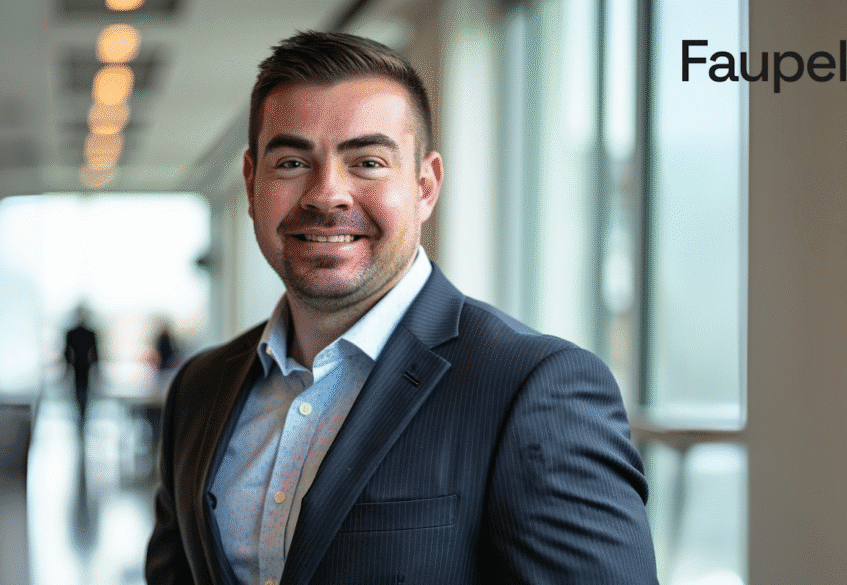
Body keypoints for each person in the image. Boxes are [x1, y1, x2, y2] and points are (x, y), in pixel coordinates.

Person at [146, 31, 658, 585]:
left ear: (425, 186)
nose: (326, 194)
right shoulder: (199, 389)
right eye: (292, 162)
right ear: (251, 183)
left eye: (366, 162)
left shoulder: (533, 388)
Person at [64, 305, 99, 428]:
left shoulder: (73, 333)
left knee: (81, 392)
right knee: (81, 392)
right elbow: (95, 354)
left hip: (80, 367)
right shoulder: (87, 333)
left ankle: (81, 415)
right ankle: (81, 415)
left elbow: (94, 353)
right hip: (81, 367)